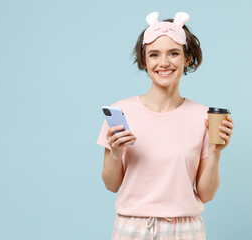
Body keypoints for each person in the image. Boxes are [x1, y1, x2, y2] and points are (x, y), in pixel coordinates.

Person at [96, 11, 234, 240]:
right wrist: (116, 153)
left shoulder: (203, 117)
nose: (163, 63)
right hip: (132, 228)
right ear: (144, 61)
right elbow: (111, 185)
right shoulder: (121, 112)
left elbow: (206, 194)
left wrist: (215, 152)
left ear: (186, 59)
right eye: (154, 54)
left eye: (173, 53)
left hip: (185, 229)